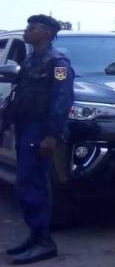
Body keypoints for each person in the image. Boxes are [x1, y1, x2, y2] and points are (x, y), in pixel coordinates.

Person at [4, 15, 74, 265]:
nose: (27, 31)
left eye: (31, 28)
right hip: (25, 128)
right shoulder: (31, 59)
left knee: (33, 186)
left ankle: (44, 242)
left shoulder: (58, 62)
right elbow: (20, 94)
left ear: (46, 32)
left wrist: (51, 136)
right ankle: (35, 236)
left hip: (40, 131)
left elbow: (63, 100)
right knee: (24, 186)